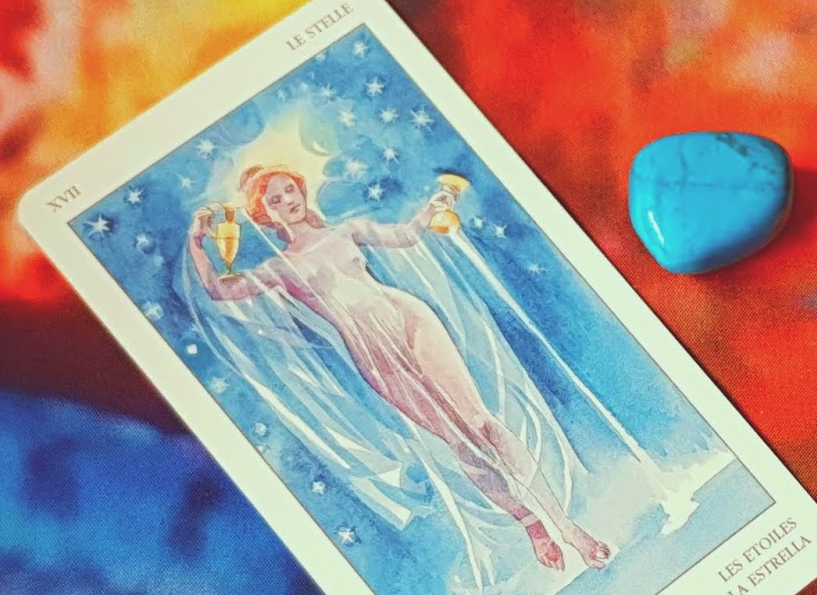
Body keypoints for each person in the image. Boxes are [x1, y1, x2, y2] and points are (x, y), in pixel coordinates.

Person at [187, 164, 611, 571]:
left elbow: (405, 235)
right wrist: (197, 245)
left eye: (289, 190)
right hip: (374, 353)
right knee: (458, 440)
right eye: (274, 200)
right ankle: (532, 525)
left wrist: (434, 205)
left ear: (301, 190)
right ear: (265, 214)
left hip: (408, 318)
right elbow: (219, 290)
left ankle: (567, 527)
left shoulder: (346, 231)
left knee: (480, 421)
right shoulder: (280, 268)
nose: (286, 201)